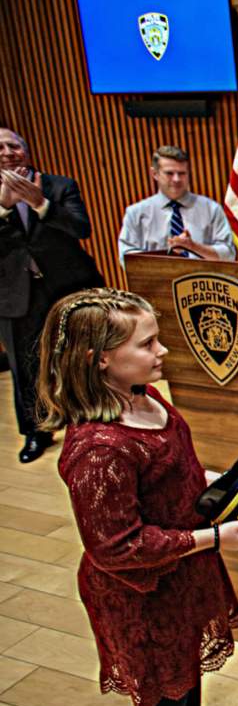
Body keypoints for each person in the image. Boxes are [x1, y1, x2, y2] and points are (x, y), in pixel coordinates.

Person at [38, 287, 238, 706]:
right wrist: (215, 538)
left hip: (181, 579)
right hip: (145, 598)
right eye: (146, 343)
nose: (163, 350)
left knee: (187, 693)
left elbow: (168, 472)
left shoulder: (146, 396)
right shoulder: (100, 450)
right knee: (165, 704)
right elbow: (117, 547)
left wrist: (210, 482)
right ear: (99, 357)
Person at [0, 126, 104, 463]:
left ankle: (94, 419)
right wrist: (4, 208)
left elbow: (81, 228)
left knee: (82, 357)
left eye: (13, 145)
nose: (7, 152)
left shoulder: (60, 185)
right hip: (14, 294)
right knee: (25, 366)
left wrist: (39, 203)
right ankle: (36, 431)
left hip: (67, 287)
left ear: (26, 151)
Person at [118, 145, 236, 266]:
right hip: (156, 282)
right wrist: (165, 260)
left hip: (204, 283)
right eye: (169, 173)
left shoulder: (211, 209)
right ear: (154, 173)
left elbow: (229, 255)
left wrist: (193, 246)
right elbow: (126, 258)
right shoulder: (135, 213)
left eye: (182, 173)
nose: (176, 179)